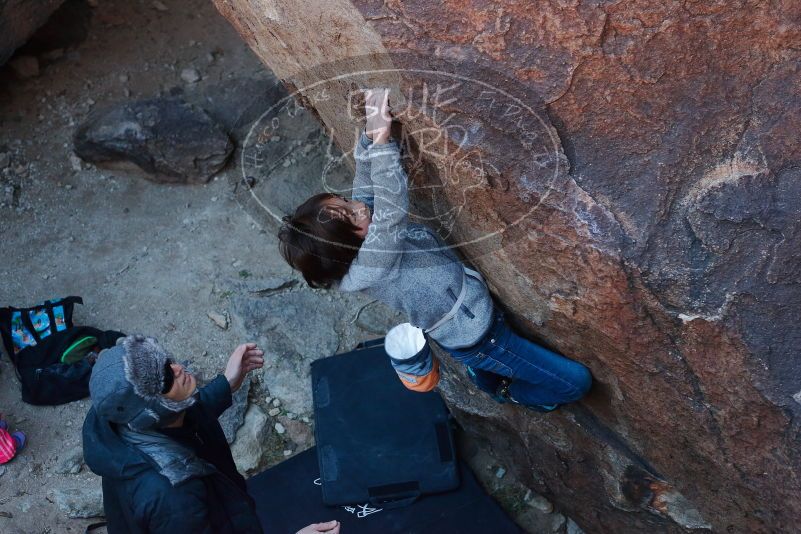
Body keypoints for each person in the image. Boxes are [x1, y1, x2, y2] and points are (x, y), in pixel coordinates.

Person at [278, 89, 592, 411]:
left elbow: (366, 192)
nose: (357, 206)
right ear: (347, 249)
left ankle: (485, 376)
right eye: (350, 216)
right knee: (576, 382)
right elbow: (390, 208)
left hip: (468, 319)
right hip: (482, 338)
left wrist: (370, 139)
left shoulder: (358, 237)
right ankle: (510, 393)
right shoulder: (372, 263)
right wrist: (384, 143)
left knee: (498, 368)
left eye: (343, 201)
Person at [83, 334, 341, 534]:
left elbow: (180, 414)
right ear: (149, 412)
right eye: (165, 378)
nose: (177, 368)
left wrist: (226, 384)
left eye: (166, 361)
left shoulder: (120, 421)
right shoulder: (174, 498)